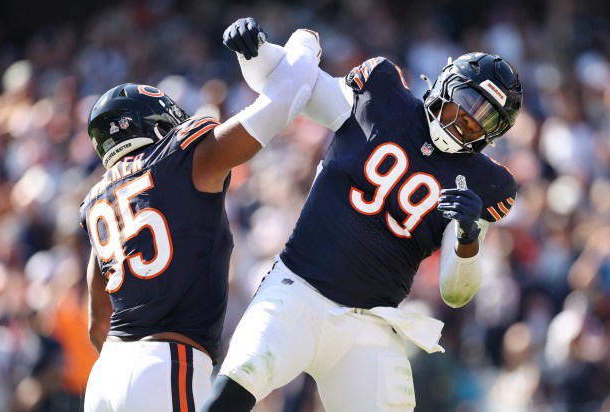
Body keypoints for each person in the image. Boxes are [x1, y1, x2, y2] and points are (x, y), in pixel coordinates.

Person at [200, 17, 523, 412]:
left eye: (484, 119)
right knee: (229, 394)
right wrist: (255, 51)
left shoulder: (482, 183)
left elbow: (456, 293)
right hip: (296, 292)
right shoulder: (381, 100)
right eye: (467, 102)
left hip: (369, 326)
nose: (468, 120)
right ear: (445, 84)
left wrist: (469, 234)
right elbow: (292, 85)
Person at [78, 27, 321, 412]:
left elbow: (98, 323)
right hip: (167, 363)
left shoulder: (97, 199)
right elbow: (284, 100)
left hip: (105, 375)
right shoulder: (181, 156)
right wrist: (306, 39)